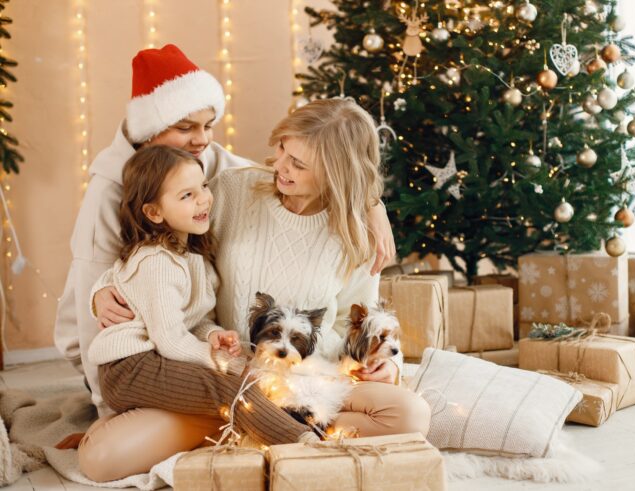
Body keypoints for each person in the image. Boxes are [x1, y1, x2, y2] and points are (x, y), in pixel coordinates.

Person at [80, 98, 430, 482]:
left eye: (298, 164)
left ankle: (259, 432)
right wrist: (103, 290)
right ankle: (271, 429)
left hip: (304, 382)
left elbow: (355, 320)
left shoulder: (358, 234)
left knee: (412, 414)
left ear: (336, 174)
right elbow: (163, 243)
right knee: (100, 459)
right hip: (224, 376)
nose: (279, 165)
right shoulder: (232, 190)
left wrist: (385, 363)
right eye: (282, 148)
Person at [53, 44, 396, 421]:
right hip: (139, 353)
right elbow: (95, 315)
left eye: (208, 125)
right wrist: (106, 408)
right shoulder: (111, 193)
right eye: (186, 128)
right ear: (150, 131)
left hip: (268, 368)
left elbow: (271, 181)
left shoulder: (209, 167)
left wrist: (368, 203)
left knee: (404, 414)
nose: (203, 139)